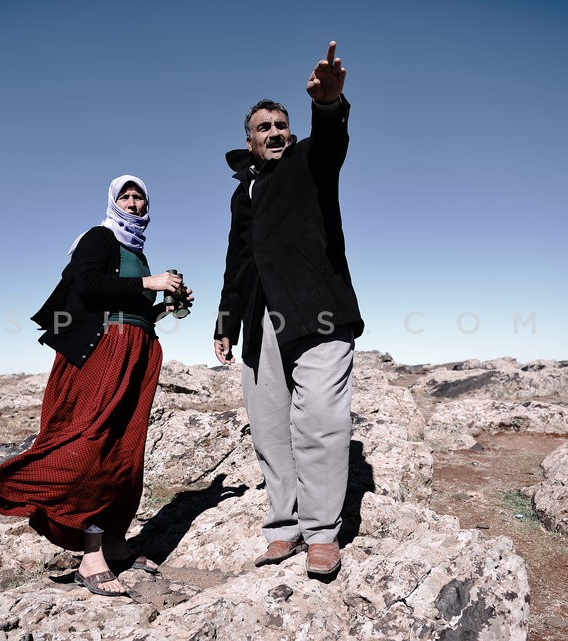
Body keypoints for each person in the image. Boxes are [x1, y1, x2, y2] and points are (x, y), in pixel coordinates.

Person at [0, 175, 191, 597]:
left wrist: (165, 306)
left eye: (139, 197)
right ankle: (89, 553)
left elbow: (133, 310)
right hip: (105, 352)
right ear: (114, 202)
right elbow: (89, 285)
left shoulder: (137, 253)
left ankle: (113, 542)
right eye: (125, 196)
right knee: (92, 445)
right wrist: (150, 284)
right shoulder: (99, 237)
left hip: (139, 352)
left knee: (125, 449)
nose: (133, 202)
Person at [213, 42, 363, 576]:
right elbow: (238, 260)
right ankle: (285, 526)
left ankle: (322, 532)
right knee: (270, 428)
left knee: (321, 419)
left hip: (317, 309)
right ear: (249, 140)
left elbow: (331, 144)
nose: (275, 132)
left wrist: (329, 105)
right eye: (263, 127)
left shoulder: (309, 161)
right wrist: (226, 322)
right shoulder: (243, 193)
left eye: (282, 124)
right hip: (260, 322)